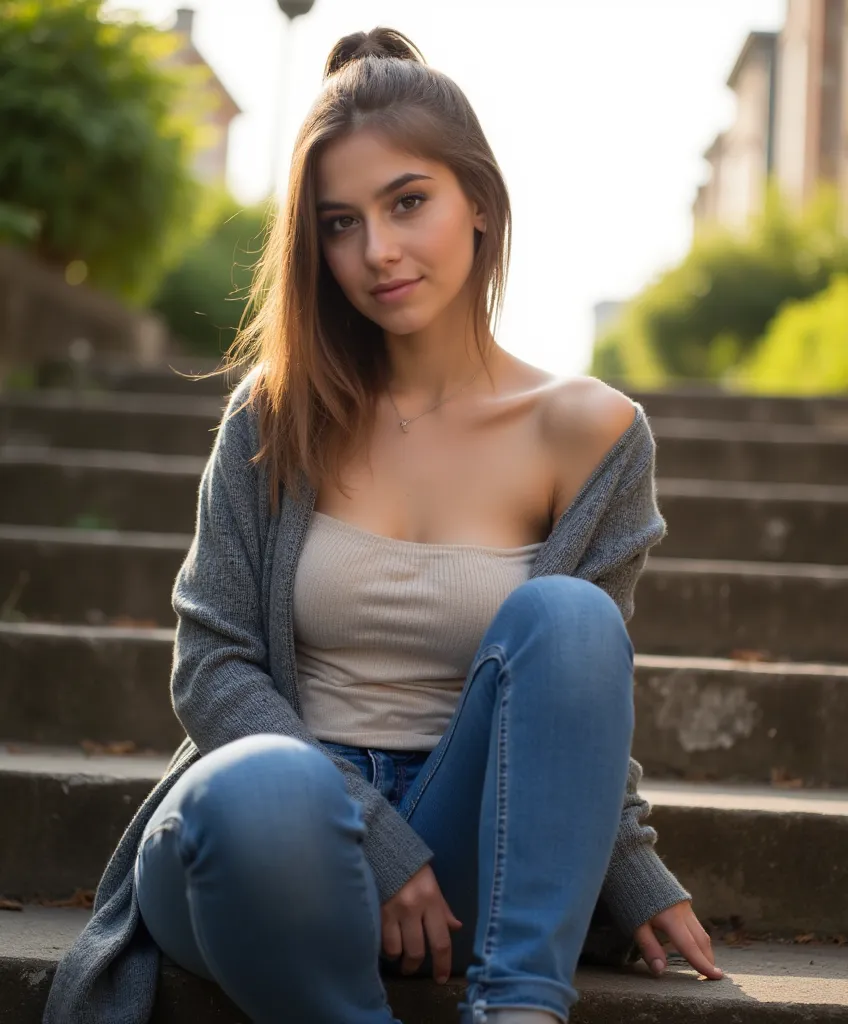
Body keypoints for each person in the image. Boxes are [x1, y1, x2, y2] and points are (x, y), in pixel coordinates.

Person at [44, 26, 722, 1024]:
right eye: (339, 223)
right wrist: (372, 833)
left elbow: (570, 700)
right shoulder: (274, 416)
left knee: (573, 620)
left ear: (479, 203)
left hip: (467, 846)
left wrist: (632, 868)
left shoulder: (592, 434)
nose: (377, 251)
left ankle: (518, 1010)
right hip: (273, 845)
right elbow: (210, 666)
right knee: (261, 791)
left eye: (407, 202)